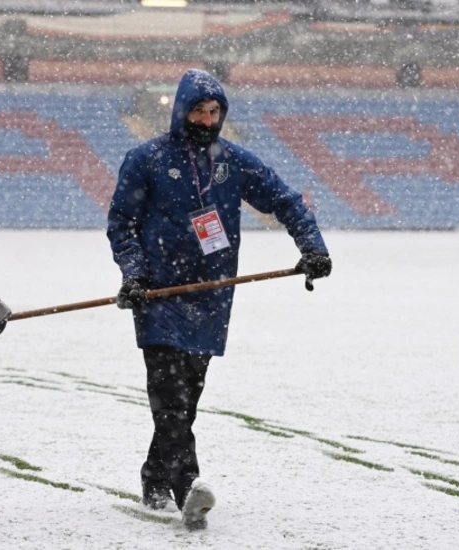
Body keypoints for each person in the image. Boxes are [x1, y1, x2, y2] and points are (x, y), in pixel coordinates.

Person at [106, 69, 331, 530]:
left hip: (210, 299)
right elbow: (122, 225)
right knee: (170, 399)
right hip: (160, 298)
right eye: (198, 111)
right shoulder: (145, 159)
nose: (207, 121)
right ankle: (187, 487)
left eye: (214, 113)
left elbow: (286, 201)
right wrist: (134, 275)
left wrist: (313, 247)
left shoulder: (233, 162)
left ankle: (154, 475)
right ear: (180, 109)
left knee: (185, 401)